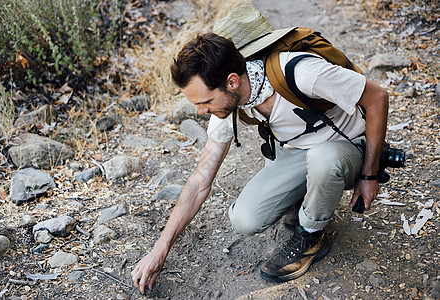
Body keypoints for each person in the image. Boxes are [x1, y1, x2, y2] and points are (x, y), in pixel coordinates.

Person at [131, 5, 388, 293]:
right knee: (245, 219)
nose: (201, 112)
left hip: (347, 147)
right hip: (300, 152)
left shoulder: (301, 72)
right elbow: (201, 179)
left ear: (232, 81)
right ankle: (304, 196)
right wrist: (160, 248)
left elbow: (377, 97)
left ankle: (311, 236)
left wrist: (370, 174)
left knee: (323, 160)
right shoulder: (228, 105)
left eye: (204, 101)